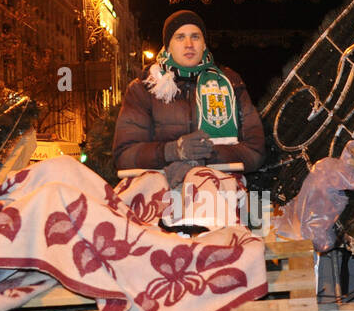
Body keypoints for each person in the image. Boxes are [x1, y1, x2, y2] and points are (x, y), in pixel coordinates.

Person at [113, 10, 265, 189]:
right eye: (179, 37)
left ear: (204, 44)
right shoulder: (144, 88)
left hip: (220, 193)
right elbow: (124, 156)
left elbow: (255, 151)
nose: (189, 44)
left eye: (195, 36)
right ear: (168, 46)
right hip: (161, 194)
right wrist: (174, 151)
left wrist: (206, 156)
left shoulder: (230, 83)